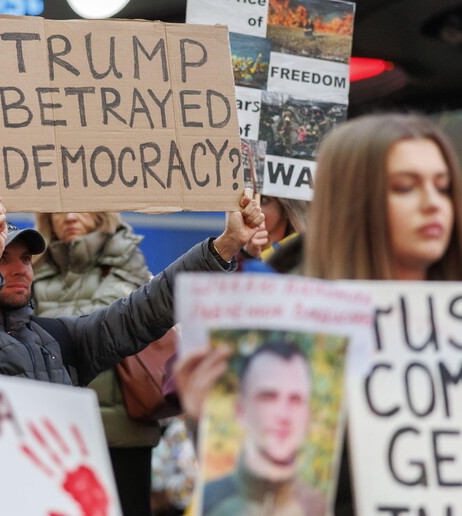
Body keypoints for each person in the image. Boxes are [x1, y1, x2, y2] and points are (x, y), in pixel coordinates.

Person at [175, 113, 462, 515]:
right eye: (404, 187)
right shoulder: (285, 332)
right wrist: (218, 424)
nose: (434, 204)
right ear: (353, 203)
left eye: (444, 187)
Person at [0, 189, 264, 389]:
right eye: (1, 257)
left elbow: (143, 310)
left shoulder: (57, 337)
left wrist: (227, 244)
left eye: (25, 258)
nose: (19, 268)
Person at [32, 211, 158, 516]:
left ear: (101, 214)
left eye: (81, 207)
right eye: (58, 210)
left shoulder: (128, 259)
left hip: (123, 431)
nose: (70, 216)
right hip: (57, 433)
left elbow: (122, 325)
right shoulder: (32, 267)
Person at [202, 341, 324, 516]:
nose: (283, 414)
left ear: (308, 415)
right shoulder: (207, 501)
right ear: (241, 411)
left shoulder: (320, 507)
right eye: (268, 397)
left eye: (295, 400)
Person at [240, 196, 308, 264]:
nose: (250, 209)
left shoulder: (302, 255)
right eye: (248, 199)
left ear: (286, 210)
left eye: (263, 200)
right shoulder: (233, 248)